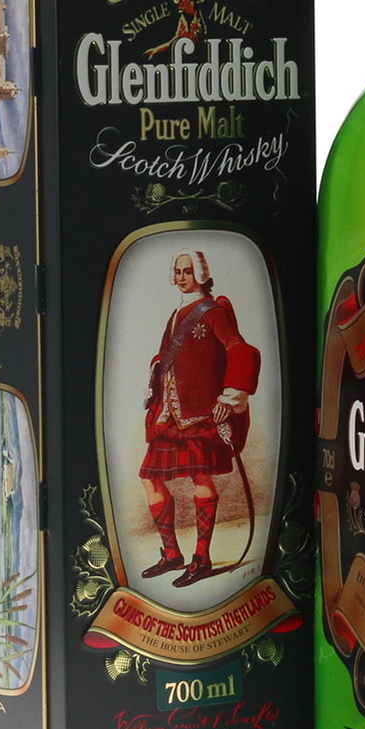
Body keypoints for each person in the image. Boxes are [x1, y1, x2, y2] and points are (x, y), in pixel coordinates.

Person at [139, 249, 260, 587]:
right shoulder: (176, 314)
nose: (181, 277)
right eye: (178, 271)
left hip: (199, 415)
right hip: (170, 414)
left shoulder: (213, 312)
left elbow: (239, 349)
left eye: (188, 271)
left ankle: (202, 559)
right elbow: (168, 357)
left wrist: (230, 397)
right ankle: (172, 555)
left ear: (201, 274)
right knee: (149, 479)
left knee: (201, 479)